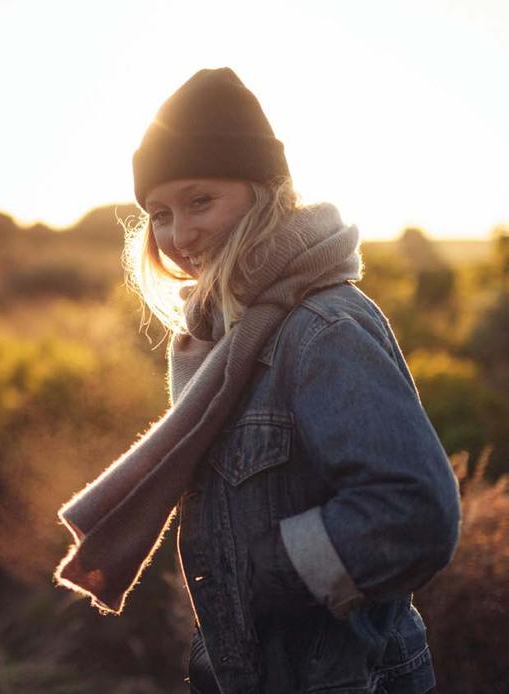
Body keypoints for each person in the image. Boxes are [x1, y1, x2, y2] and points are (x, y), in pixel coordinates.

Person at [52, 67, 460, 693]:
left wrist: (264, 574)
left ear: (264, 191)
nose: (179, 235)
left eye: (200, 201)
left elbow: (413, 513)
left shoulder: (323, 328)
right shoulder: (219, 338)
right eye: (160, 213)